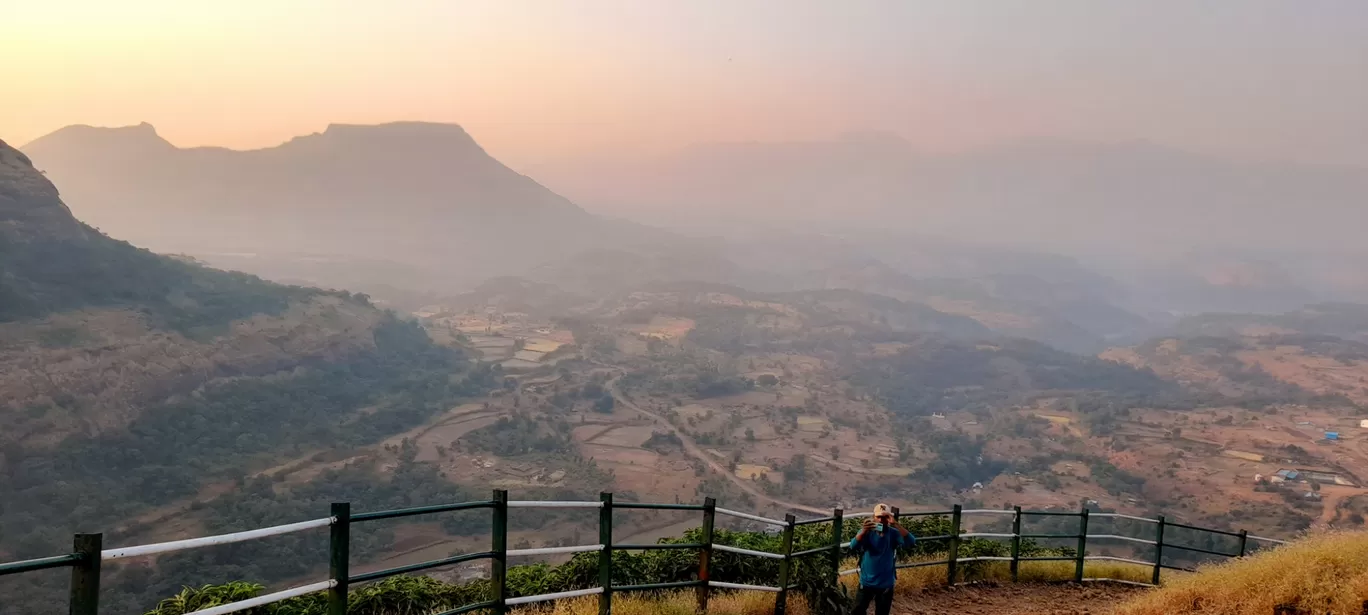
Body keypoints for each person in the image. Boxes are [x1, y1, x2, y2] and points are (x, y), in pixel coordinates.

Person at [848, 503, 914, 615]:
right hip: (867, 581)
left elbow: (911, 542)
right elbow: (853, 546)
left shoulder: (893, 534)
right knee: (857, 611)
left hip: (885, 582)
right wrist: (863, 531)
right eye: (878, 517)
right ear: (874, 517)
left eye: (884, 517)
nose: (881, 520)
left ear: (889, 518)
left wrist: (896, 524)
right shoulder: (867, 532)